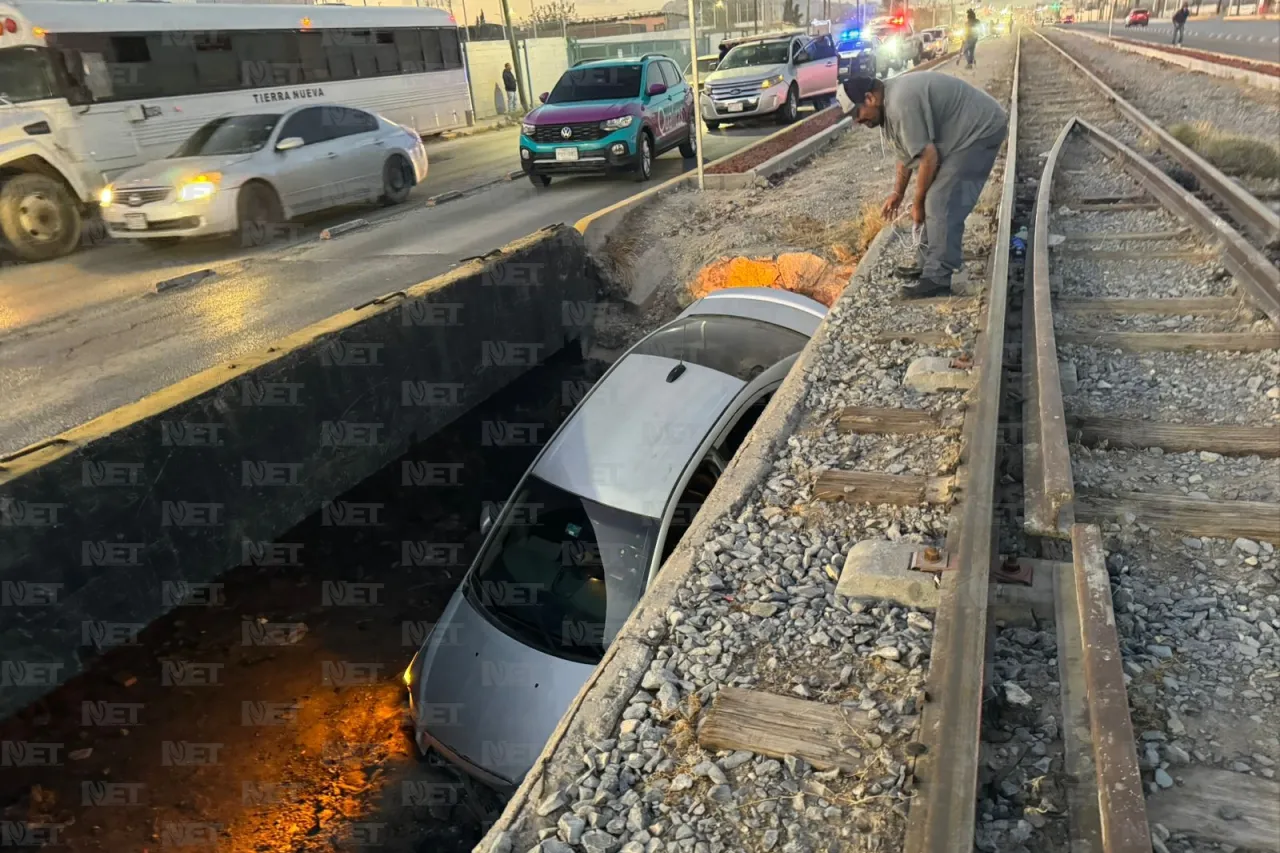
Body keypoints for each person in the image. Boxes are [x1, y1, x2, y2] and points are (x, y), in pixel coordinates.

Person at [837, 73, 1008, 299]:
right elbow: (907, 153)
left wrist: (917, 203)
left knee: (938, 200)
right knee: (933, 195)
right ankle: (927, 264)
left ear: (869, 98)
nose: (857, 121)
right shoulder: (888, 107)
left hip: (980, 129)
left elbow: (928, 156)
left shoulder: (899, 105)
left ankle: (938, 277)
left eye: (856, 114)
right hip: (959, 133)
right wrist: (898, 193)